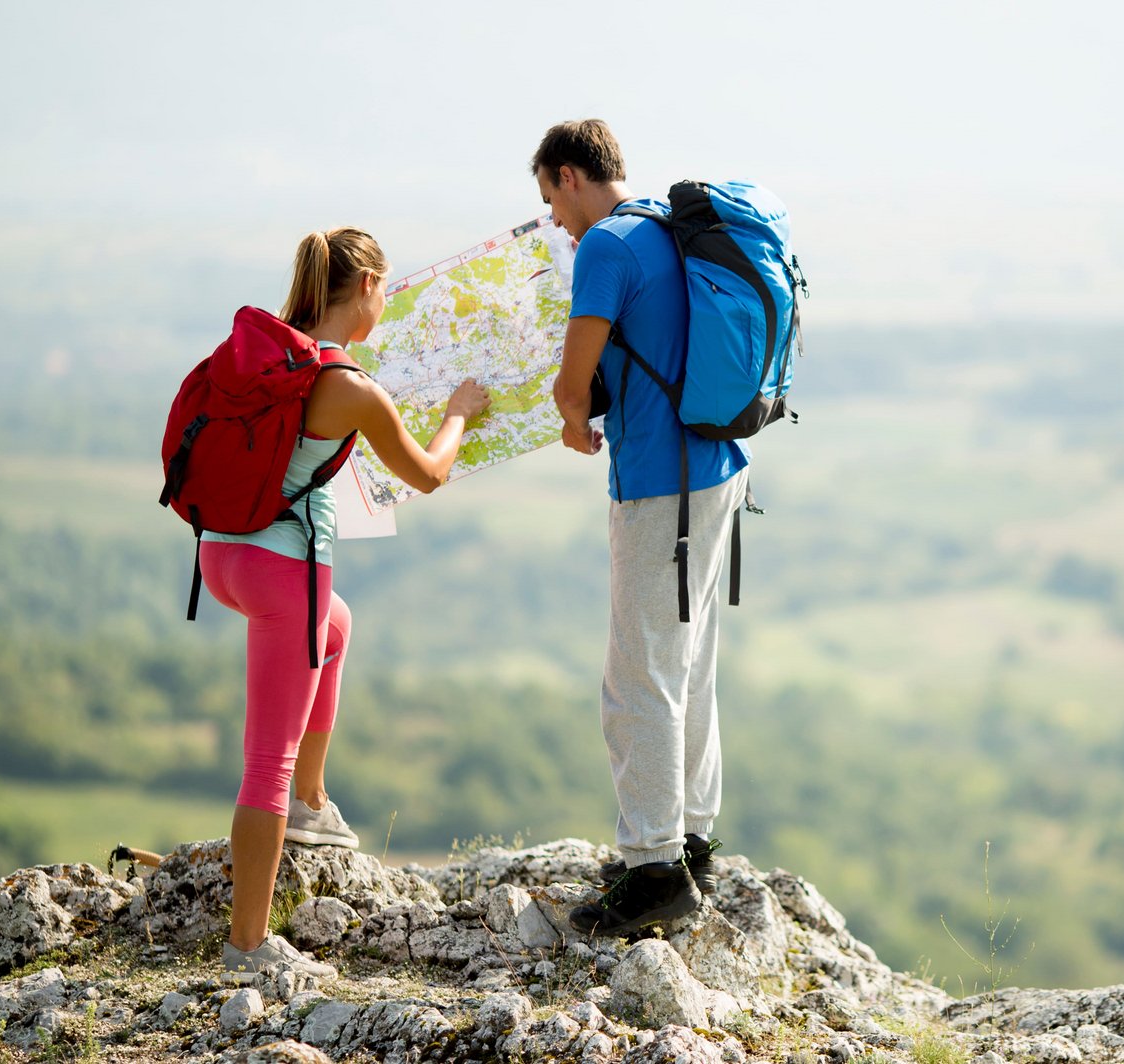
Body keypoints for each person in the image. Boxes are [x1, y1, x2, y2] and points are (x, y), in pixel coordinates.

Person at [201, 227, 489, 981]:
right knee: (264, 762)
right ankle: (249, 948)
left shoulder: (268, 353)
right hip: (280, 573)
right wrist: (458, 412)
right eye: (386, 288)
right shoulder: (349, 387)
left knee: (337, 625)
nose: (386, 302)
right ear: (364, 287)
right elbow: (426, 474)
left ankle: (312, 798)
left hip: (221, 554)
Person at [534, 119, 750, 937]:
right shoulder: (668, 223)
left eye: (551, 200)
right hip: (720, 472)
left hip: (659, 484)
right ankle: (691, 843)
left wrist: (570, 418)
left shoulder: (606, 248)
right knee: (688, 666)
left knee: (636, 676)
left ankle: (652, 869)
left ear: (569, 175)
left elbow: (573, 377)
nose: (556, 220)